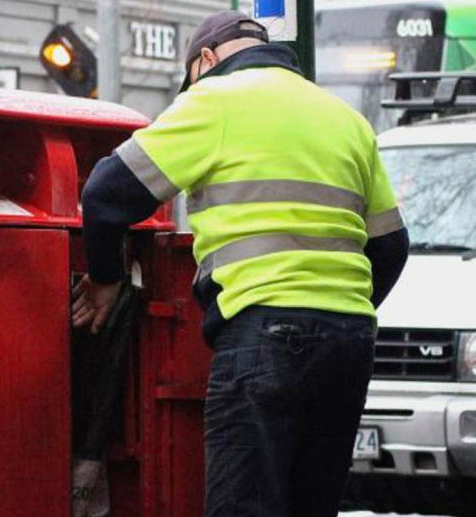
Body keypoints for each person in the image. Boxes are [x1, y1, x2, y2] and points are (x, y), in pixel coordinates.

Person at [71, 11, 409, 517]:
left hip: (264, 334)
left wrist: (105, 280)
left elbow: (106, 193)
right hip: (349, 342)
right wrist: (334, 307)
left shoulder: (215, 100)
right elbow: (391, 247)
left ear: (205, 60)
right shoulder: (344, 118)